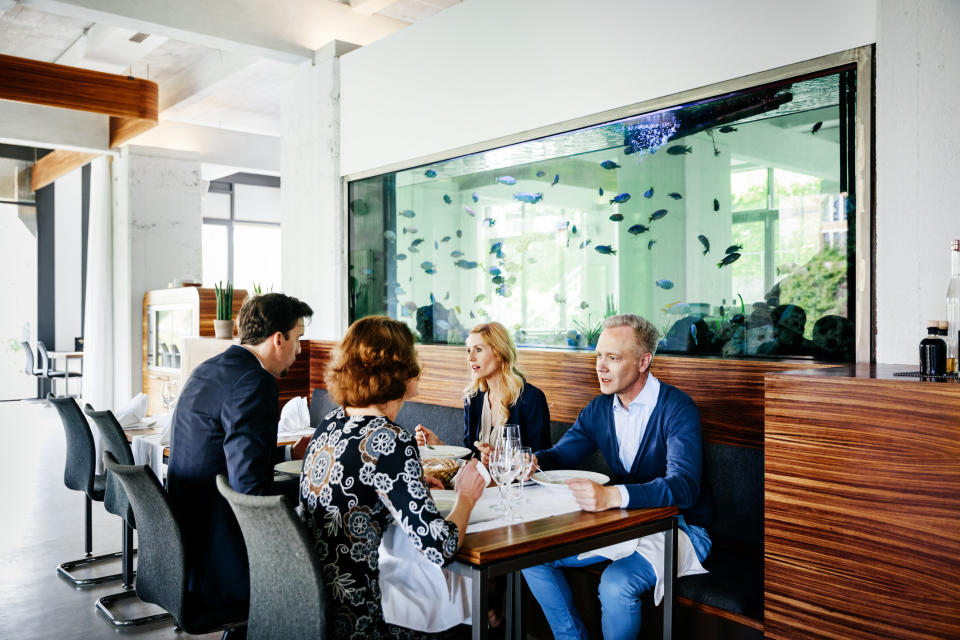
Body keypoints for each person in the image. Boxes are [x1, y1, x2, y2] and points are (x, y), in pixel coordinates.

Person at [522, 314, 713, 640]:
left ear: (643, 361)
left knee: (615, 583)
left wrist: (612, 496)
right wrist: (532, 461)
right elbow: (560, 456)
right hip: (623, 522)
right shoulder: (599, 409)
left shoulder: (677, 408)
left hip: (681, 527)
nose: (601, 366)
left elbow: (685, 488)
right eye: (599, 356)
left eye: (613, 357)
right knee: (528, 553)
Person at [300, 315, 486, 639]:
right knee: (451, 617)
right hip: (358, 618)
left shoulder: (331, 422)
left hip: (310, 605)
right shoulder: (390, 439)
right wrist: (466, 496)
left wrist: (406, 486)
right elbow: (439, 547)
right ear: (397, 369)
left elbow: (358, 492)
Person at [166, 292, 314, 613]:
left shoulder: (207, 369)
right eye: (298, 338)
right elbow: (251, 492)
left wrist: (289, 455)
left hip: (187, 542)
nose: (300, 350)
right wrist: (314, 486)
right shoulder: (255, 381)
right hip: (225, 555)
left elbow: (229, 453)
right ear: (278, 339)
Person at [415, 321, 551, 456]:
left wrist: (499, 461)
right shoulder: (473, 397)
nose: (470, 358)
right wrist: (438, 445)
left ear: (499, 353)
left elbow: (539, 462)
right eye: (469, 351)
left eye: (478, 350)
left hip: (517, 478)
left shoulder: (532, 398)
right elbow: (470, 456)